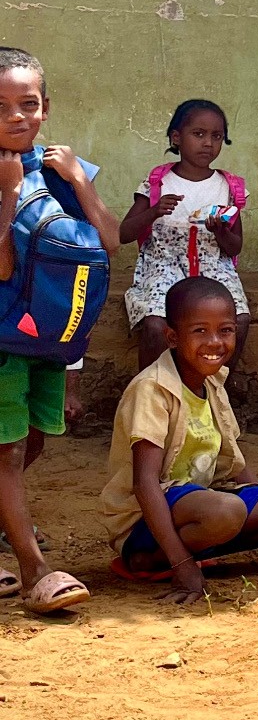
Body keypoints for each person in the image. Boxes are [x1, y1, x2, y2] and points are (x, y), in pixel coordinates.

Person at [101, 277, 258, 603]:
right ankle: (153, 559)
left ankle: (198, 542)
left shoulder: (213, 381)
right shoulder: (152, 389)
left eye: (226, 330)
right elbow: (145, 483)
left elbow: (233, 461)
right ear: (173, 337)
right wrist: (184, 566)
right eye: (200, 330)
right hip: (145, 521)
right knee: (225, 513)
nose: (215, 342)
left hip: (204, 503)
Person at [0, 46, 119, 613]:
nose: (16, 117)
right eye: (1, 107)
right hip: (2, 341)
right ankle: (35, 570)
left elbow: (111, 240)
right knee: (7, 450)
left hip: (51, 339)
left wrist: (79, 181)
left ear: (46, 108)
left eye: (28, 104)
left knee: (37, 438)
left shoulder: (61, 170)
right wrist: (6, 195)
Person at [119, 100, 250, 372]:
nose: (208, 143)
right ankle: (148, 390)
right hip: (163, 265)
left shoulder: (229, 187)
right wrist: (153, 212)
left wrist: (221, 231)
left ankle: (218, 385)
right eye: (198, 134)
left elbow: (235, 247)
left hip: (214, 268)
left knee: (241, 320)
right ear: (176, 138)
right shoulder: (158, 182)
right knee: (156, 325)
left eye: (217, 136)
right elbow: (123, 233)